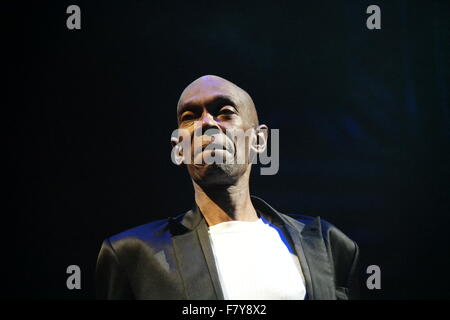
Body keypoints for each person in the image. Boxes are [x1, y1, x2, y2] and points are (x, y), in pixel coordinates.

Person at [95, 75, 359, 300]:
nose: (207, 123)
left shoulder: (327, 245)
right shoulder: (133, 255)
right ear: (178, 148)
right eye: (190, 117)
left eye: (225, 112)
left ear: (259, 140)